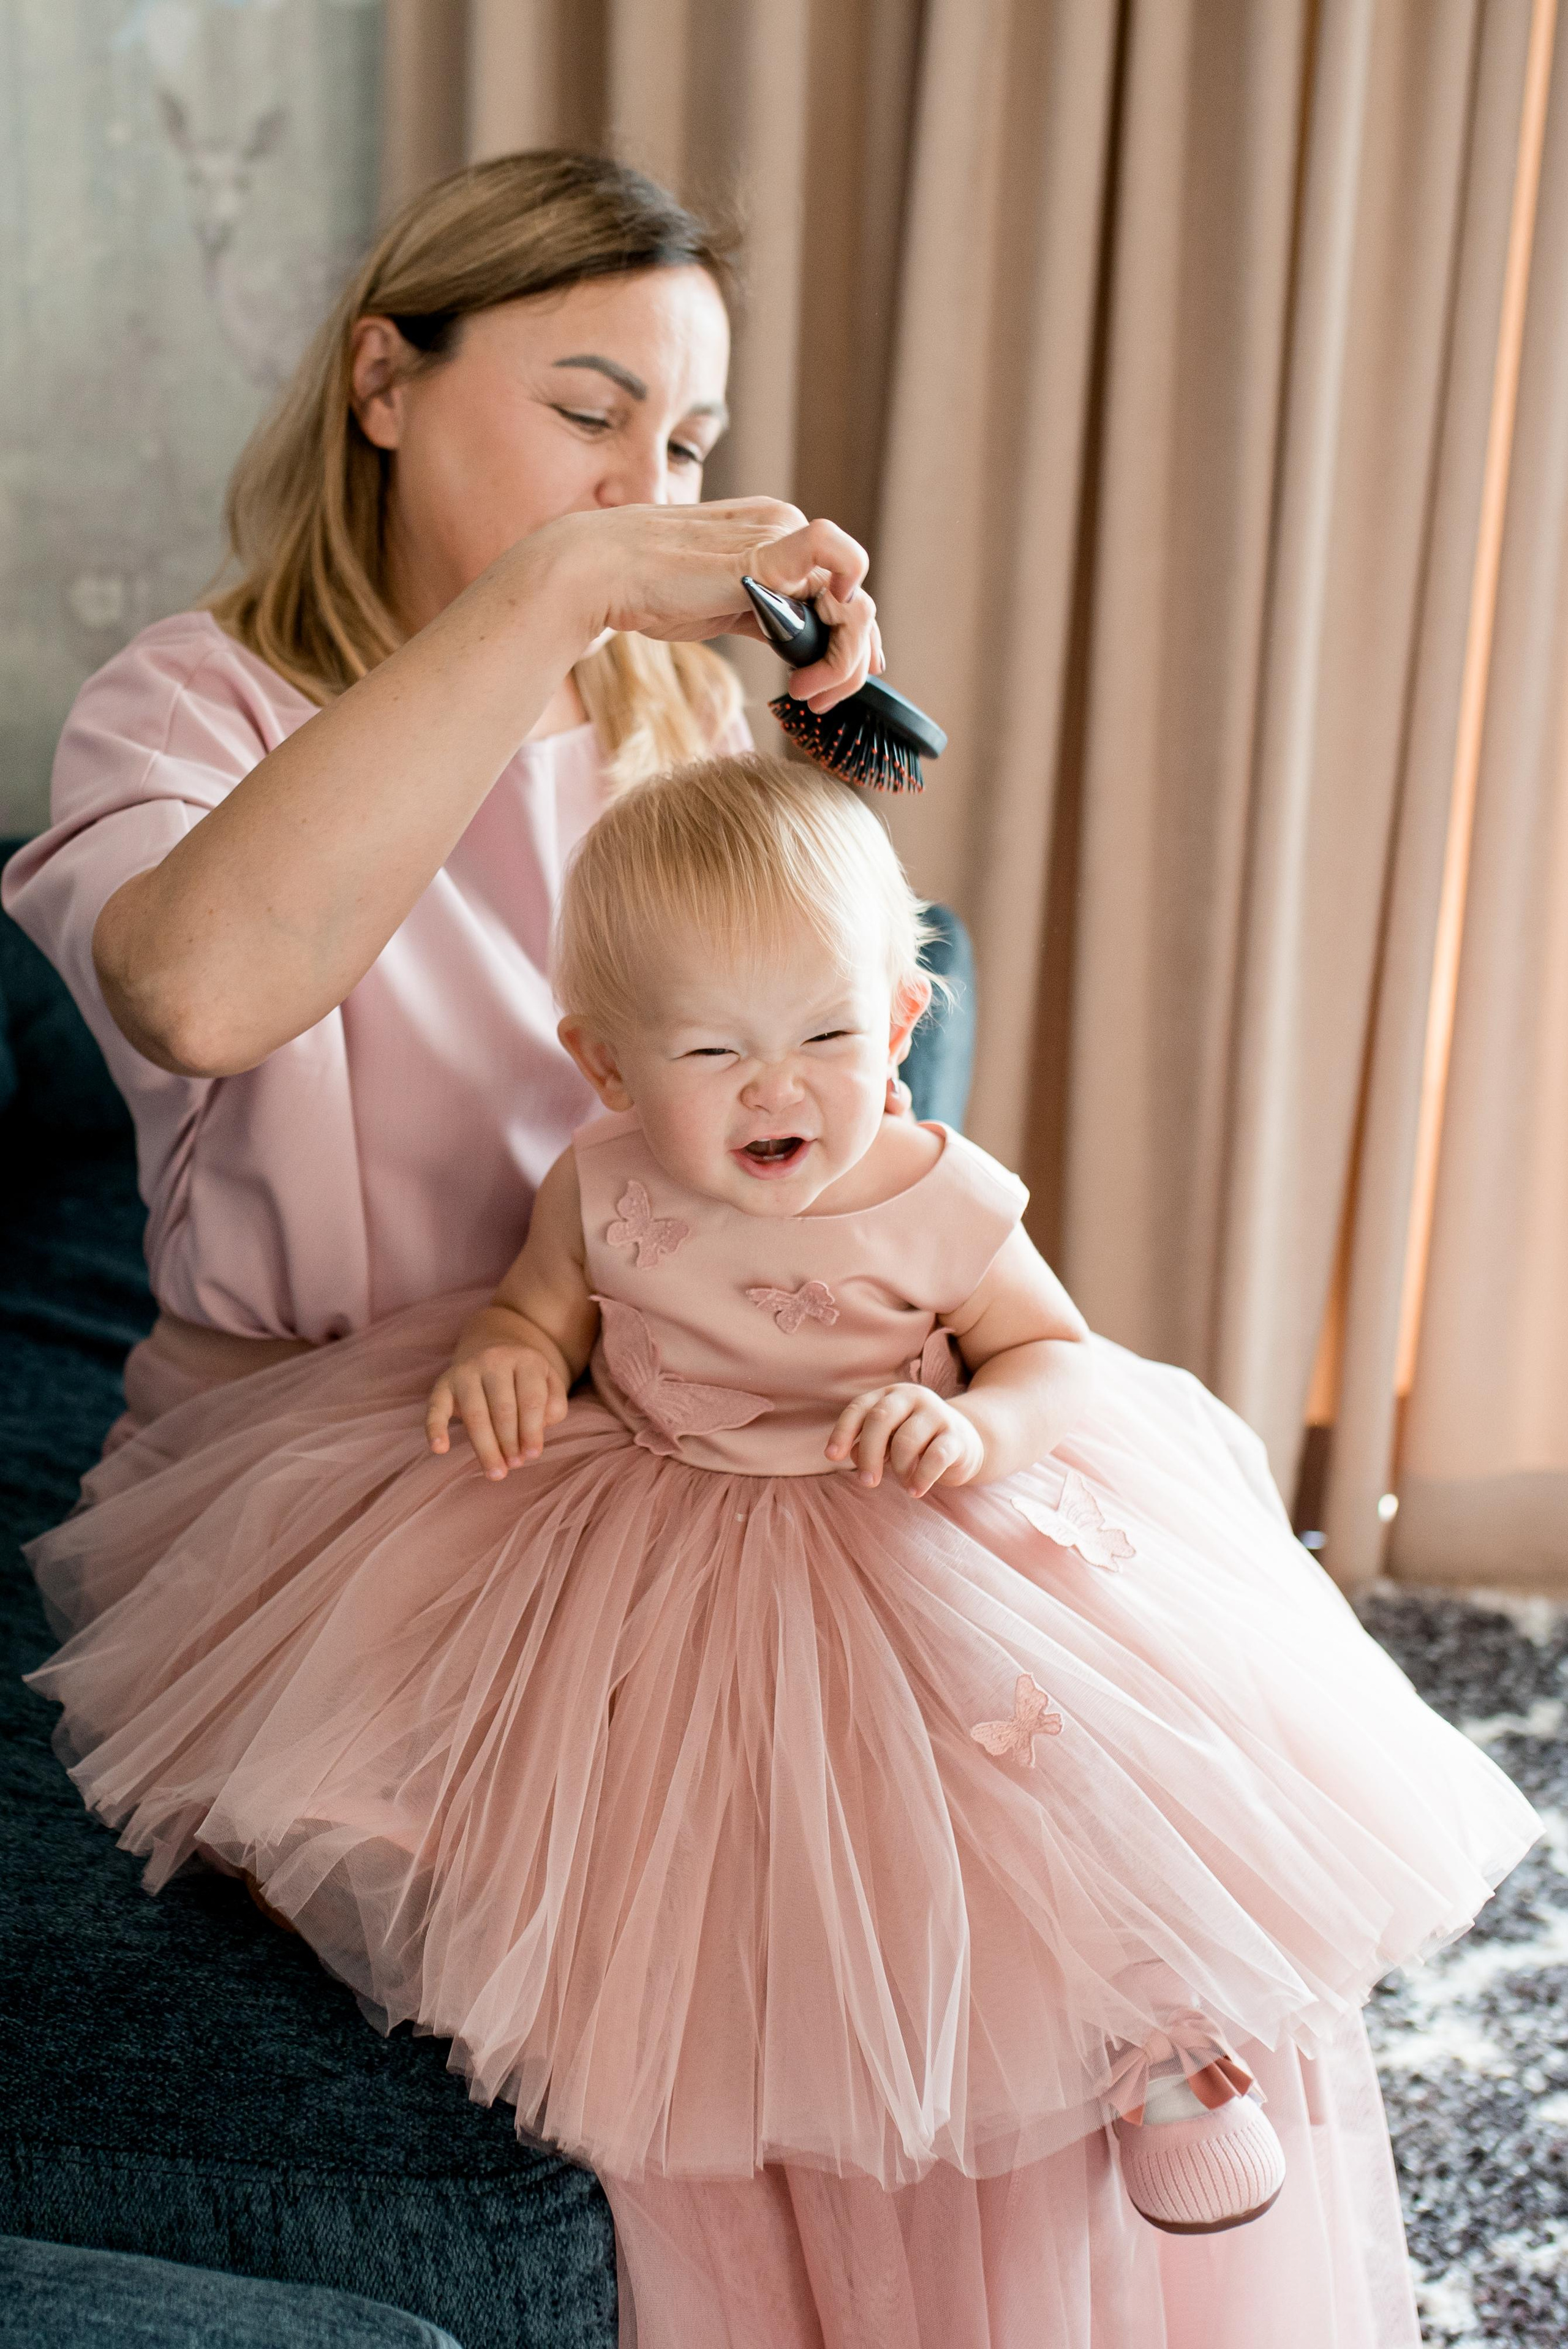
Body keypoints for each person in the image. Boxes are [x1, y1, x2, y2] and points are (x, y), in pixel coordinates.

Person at [26, 754, 1537, 2349]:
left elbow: (1052, 1355)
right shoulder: (599, 1187)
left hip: (914, 1517)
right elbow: (536, 1310)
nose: (776, 1089)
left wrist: (977, 1426)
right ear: (606, 1062)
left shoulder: (940, 1194)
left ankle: (1159, 2046)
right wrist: (512, 1360)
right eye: (712, 1050)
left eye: (824, 1034)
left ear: (899, 1021)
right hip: (659, 1521)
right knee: (633, 1820)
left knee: (1046, 1781)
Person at [2, 149, 970, 1447]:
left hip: (627, 1415)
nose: (645, 493)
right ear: (382, 384)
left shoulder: (673, 711)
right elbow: (195, 1002)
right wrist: (561, 583)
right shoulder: (188, 706)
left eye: (687, 445)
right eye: (589, 416)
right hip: (302, 1450)